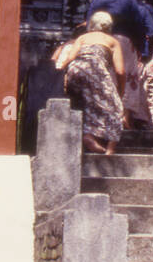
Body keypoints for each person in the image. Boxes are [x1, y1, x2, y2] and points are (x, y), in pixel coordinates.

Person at [53, 11, 125, 155]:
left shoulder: (82, 37)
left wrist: (60, 72)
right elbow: (120, 71)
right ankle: (108, 149)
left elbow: (71, 57)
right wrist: (120, 91)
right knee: (117, 107)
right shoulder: (113, 41)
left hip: (76, 69)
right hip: (95, 70)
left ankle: (89, 135)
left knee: (90, 103)